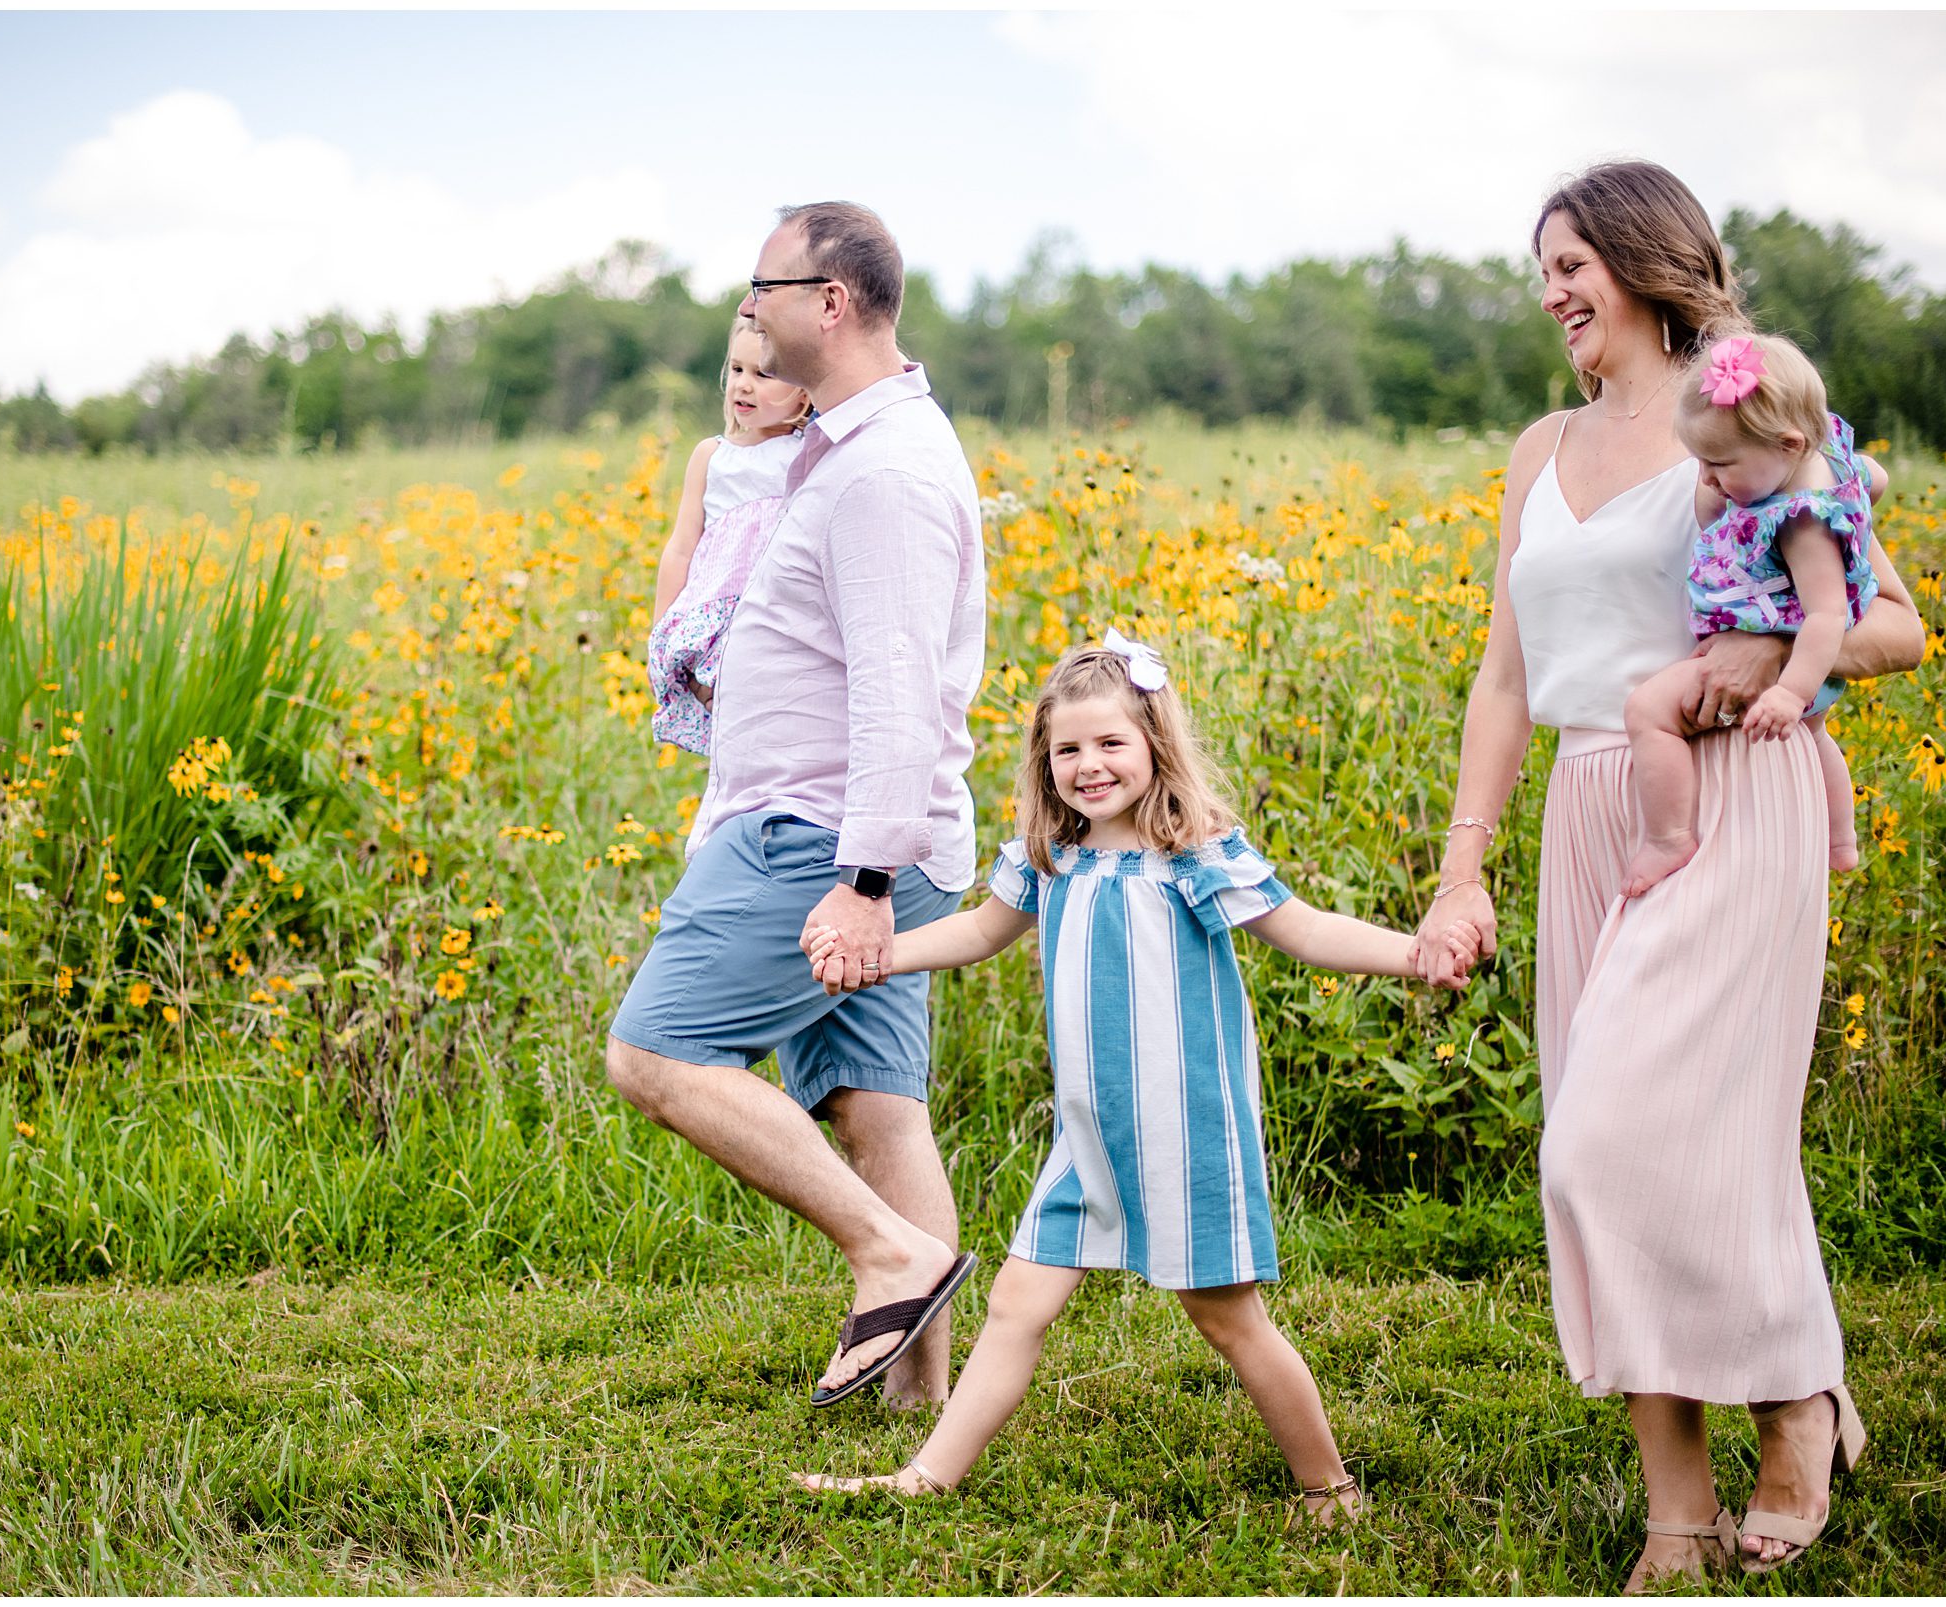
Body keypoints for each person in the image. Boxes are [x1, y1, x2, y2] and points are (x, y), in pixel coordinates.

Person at [1409, 161, 1923, 1591]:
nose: (1557, 292)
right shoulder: (1537, 446)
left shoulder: (1747, 406)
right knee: (1608, 1147)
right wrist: (1466, 869)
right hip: (1591, 804)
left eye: (1575, 262)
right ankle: (1678, 1511)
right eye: (1546, 270)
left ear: (1648, 263)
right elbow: (1504, 678)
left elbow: (1893, 622)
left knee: (1628, 1144)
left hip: (1724, 799)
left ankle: (1799, 1403)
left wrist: (1765, 661)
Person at [794, 633, 1479, 1523]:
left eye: (1111, 743)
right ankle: (925, 1476)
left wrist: (1414, 956)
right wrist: (879, 956)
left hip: (1184, 1129)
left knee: (1227, 1319)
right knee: (1014, 1305)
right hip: (1088, 1134)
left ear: (1155, 742)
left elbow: (1304, 930)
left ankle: (1330, 1487)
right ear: (1045, 761)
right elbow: (972, 934)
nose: (1089, 765)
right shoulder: (1047, 859)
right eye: (1068, 748)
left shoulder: (1195, 855)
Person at [606, 202, 988, 1410]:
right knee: (876, 1107)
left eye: (764, 283)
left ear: (830, 302)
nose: (748, 306)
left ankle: (890, 1253)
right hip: (846, 825)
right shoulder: (843, 445)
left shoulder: (882, 469)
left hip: (817, 836)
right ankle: (918, 1395)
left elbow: (896, 686)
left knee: (655, 1051)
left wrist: (863, 882)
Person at [1618, 332, 1882, 897]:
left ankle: (1669, 837)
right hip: (1797, 670)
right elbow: (1874, 478)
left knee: (1647, 713)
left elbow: (1827, 615)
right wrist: (1858, 497)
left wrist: (1789, 691)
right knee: (1816, 735)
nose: (1708, 479)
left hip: (1783, 659)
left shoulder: (1800, 522)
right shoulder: (1824, 457)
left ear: (1787, 445)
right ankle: (1840, 838)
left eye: (1718, 464)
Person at [647, 317, 812, 755]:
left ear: (804, 389)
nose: (744, 385)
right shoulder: (713, 456)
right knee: (732, 735)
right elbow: (682, 547)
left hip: (775, 616)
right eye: (737, 370)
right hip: (715, 620)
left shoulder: (809, 451)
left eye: (763, 374)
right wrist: (663, 627)